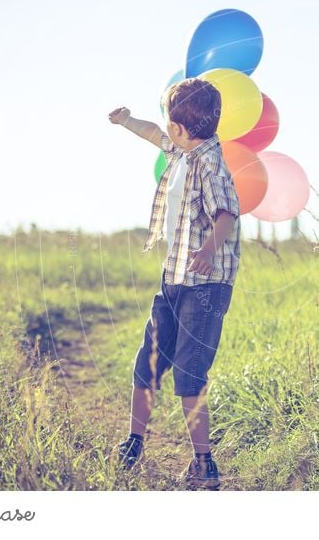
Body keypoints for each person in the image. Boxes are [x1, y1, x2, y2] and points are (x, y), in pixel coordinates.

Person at [107, 78, 241, 490]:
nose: (166, 130)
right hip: (173, 280)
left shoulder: (210, 163)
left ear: (183, 129)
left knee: (189, 372)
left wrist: (208, 250)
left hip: (205, 285)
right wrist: (128, 121)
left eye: (170, 122)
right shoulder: (181, 149)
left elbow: (227, 214)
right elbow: (153, 134)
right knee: (147, 360)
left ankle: (204, 463)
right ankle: (134, 442)